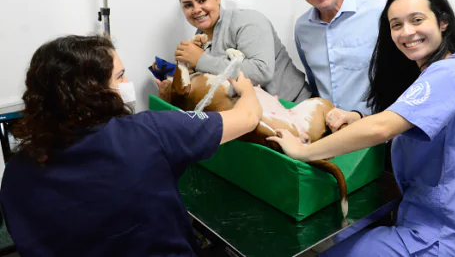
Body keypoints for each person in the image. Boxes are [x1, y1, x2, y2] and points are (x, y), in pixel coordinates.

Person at [268, 0, 455, 256]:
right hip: (433, 219)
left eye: (417, 20)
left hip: (449, 234)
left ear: (443, 23)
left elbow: (383, 127)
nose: (406, 32)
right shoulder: (440, 72)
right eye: (396, 25)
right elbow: (405, 123)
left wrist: (303, 151)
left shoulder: (450, 73)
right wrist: (357, 118)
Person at [0, 35, 262, 257]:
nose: (127, 84)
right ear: (93, 89)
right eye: (120, 76)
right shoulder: (149, 132)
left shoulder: (15, 173)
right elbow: (248, 118)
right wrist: (247, 90)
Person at [172, 0, 311, 103]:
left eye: (202, 0)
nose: (196, 9)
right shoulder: (199, 36)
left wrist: (201, 60)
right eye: (188, 5)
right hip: (253, 114)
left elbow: (261, 72)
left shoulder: (248, 21)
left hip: (294, 106)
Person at [289, 0, 385, 119]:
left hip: (375, 132)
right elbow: (315, 82)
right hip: (328, 131)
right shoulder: (302, 28)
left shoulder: (380, 12)